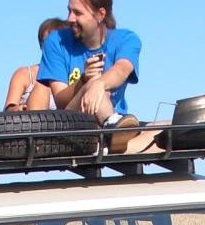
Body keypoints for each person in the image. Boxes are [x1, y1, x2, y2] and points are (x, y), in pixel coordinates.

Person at [36, 0, 143, 152]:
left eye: (78, 13)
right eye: (69, 11)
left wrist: (100, 84)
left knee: (163, 130)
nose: (70, 19)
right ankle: (111, 126)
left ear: (100, 14)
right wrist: (84, 81)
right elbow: (61, 102)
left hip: (120, 121)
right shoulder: (55, 41)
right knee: (93, 82)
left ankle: (111, 132)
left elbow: (122, 69)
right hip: (72, 123)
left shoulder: (127, 39)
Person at [4, 18, 67, 112]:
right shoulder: (24, 74)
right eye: (48, 43)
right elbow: (9, 108)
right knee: (43, 84)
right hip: (32, 123)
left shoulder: (73, 72)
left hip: (68, 123)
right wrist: (16, 109)